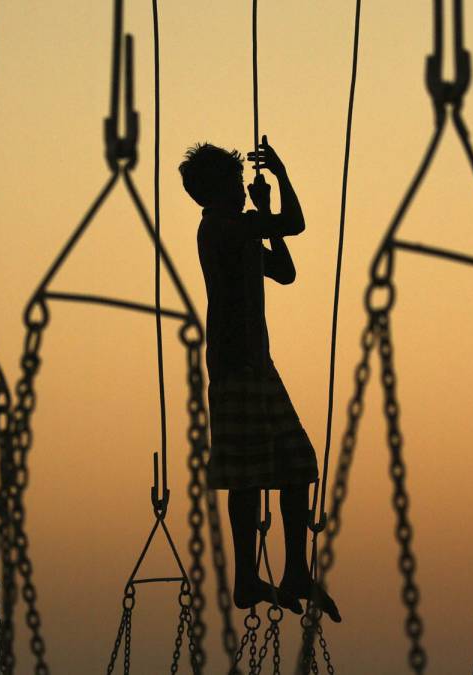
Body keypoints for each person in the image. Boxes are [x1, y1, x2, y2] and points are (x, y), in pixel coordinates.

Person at [180, 138, 340, 621]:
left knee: (296, 464)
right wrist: (283, 177)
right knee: (249, 476)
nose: (240, 188)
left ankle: (294, 571)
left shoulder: (241, 232)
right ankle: (247, 578)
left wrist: (266, 218)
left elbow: (285, 270)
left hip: (257, 364)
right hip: (236, 365)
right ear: (216, 190)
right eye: (233, 181)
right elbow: (297, 222)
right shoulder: (220, 229)